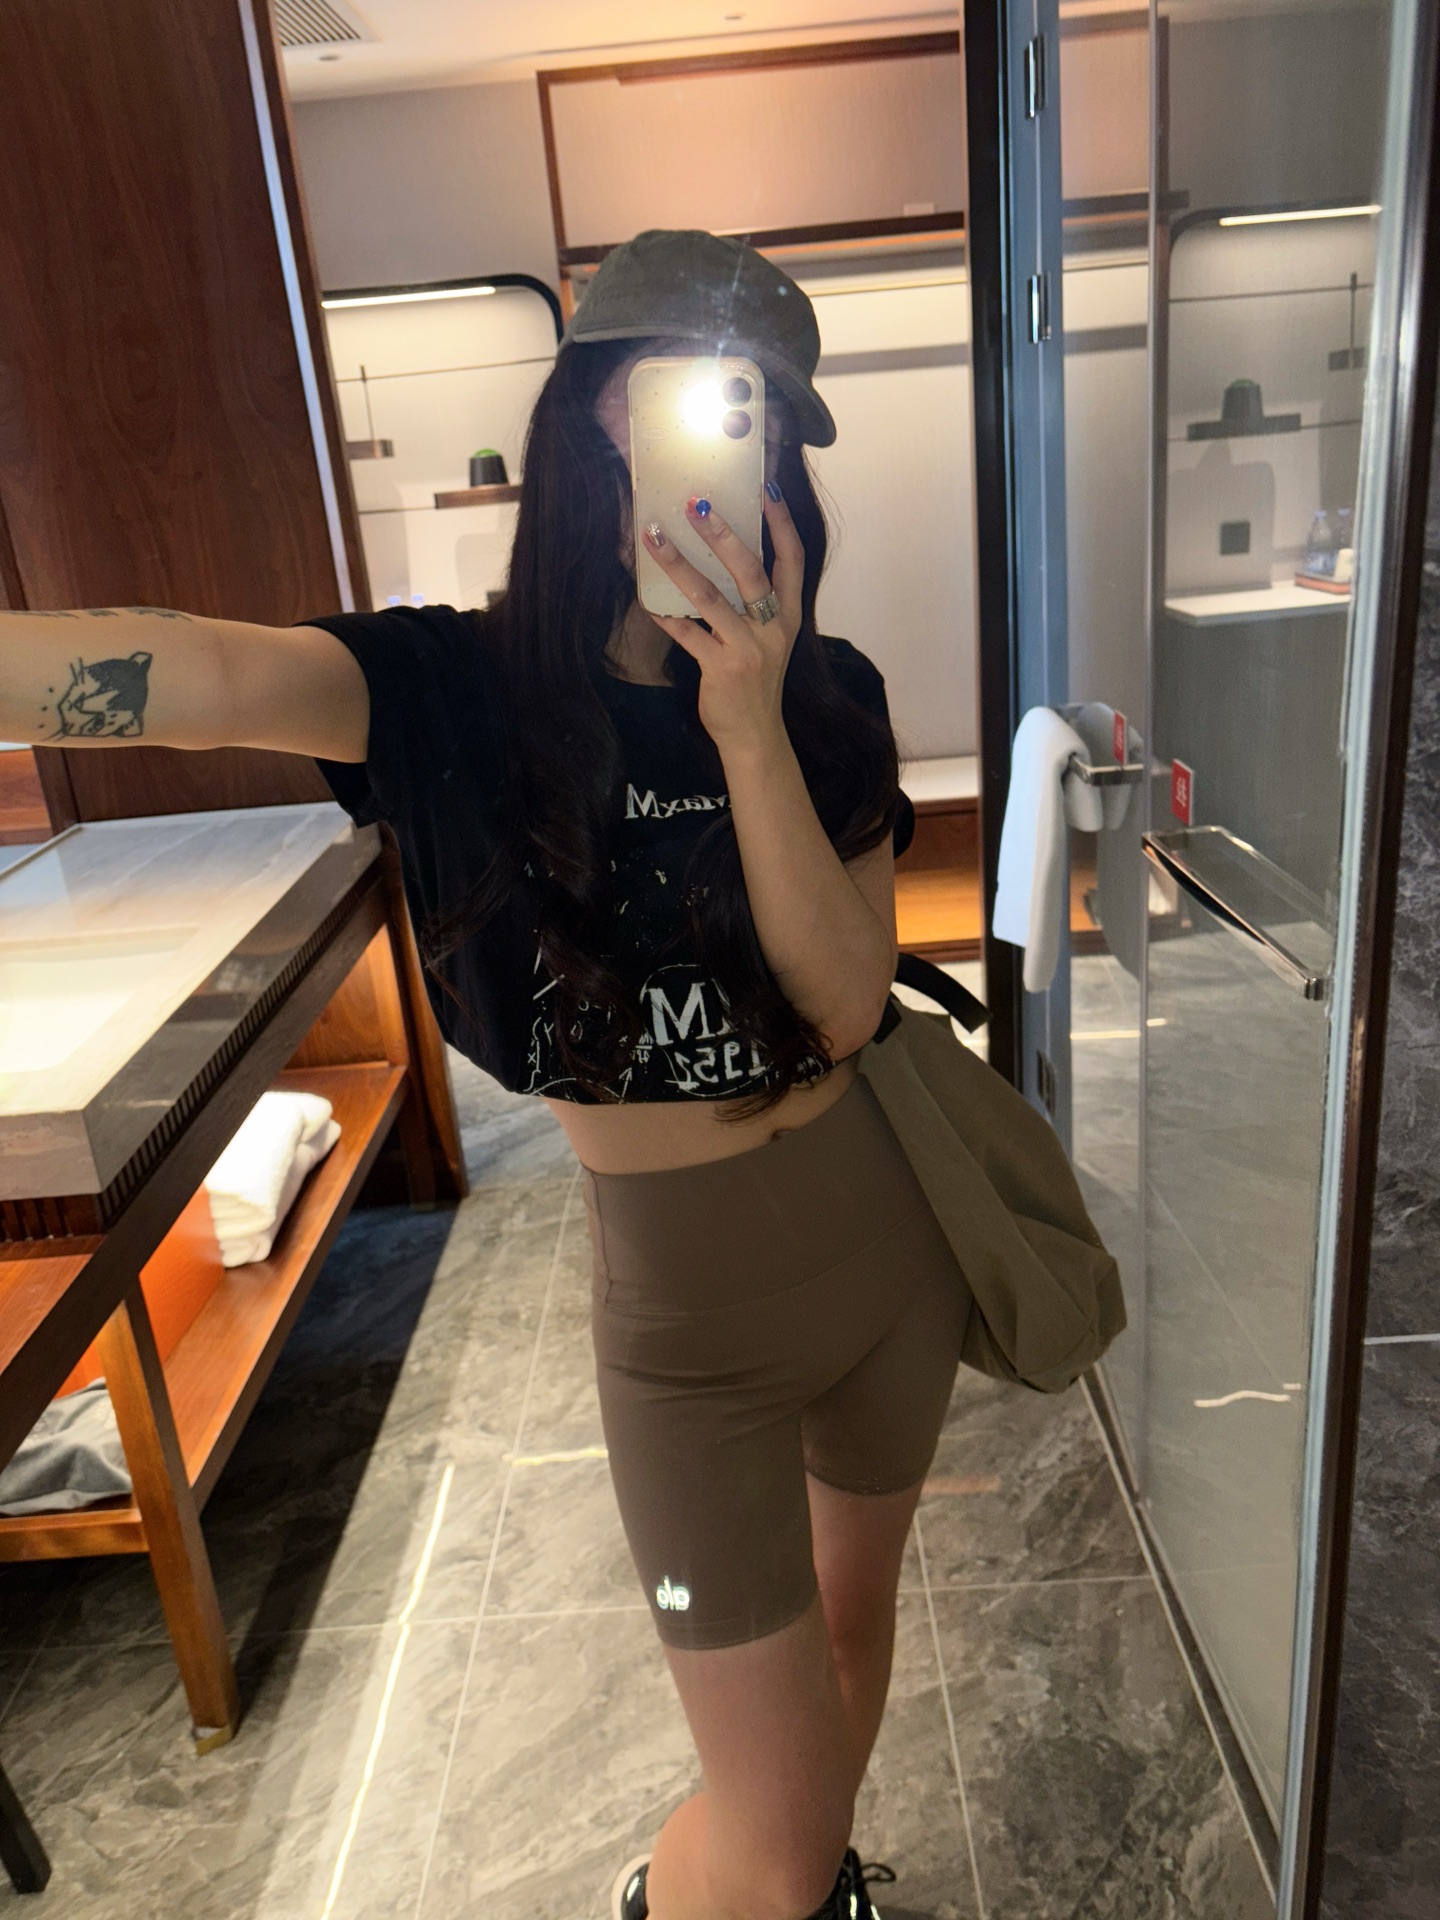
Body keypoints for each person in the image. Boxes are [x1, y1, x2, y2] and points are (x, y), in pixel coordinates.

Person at [0, 229, 972, 1920]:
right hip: (686, 1333)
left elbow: (840, 1008)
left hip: (883, 1251)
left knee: (847, 1649)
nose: (715, 464)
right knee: (771, 1838)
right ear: (588, 421)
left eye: (755, 426)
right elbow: (194, 677)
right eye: (670, 409)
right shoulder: (445, 694)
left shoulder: (824, 697)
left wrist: (746, 721)